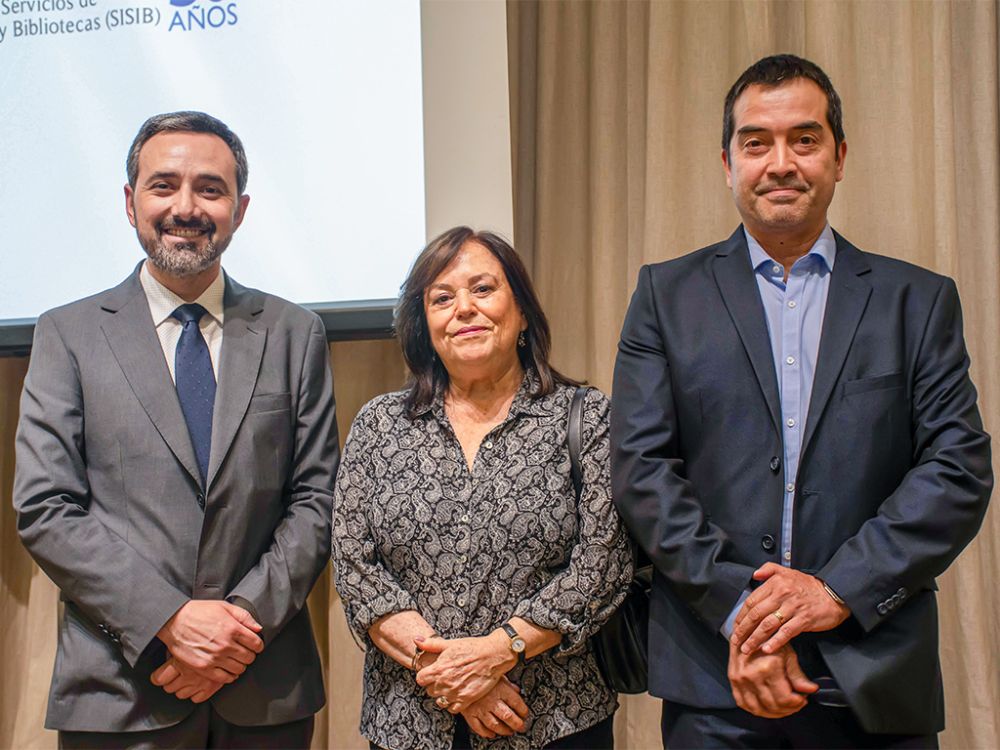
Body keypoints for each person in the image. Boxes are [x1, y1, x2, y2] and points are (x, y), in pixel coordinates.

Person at [610, 54, 992, 748]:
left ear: (839, 157)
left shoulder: (918, 301)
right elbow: (642, 473)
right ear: (727, 163)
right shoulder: (665, 298)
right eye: (756, 142)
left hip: (873, 672)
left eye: (804, 140)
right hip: (717, 674)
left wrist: (835, 589)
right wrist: (744, 614)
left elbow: (957, 470)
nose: (780, 162)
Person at [13, 111, 338, 748]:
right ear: (130, 202)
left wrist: (238, 625)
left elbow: (317, 501)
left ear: (240, 210)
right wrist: (169, 620)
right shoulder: (67, 334)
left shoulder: (295, 333)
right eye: (164, 186)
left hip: (264, 684)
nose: (185, 207)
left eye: (210, 189)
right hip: (120, 688)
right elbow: (46, 507)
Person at [332, 226, 632, 749]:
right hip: (408, 722)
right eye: (442, 298)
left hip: (553, 720)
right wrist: (460, 682)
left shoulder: (585, 417)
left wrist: (499, 652)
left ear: (521, 313)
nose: (463, 309)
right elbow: (355, 567)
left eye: (483, 289)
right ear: (425, 325)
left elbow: (602, 565)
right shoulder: (379, 425)